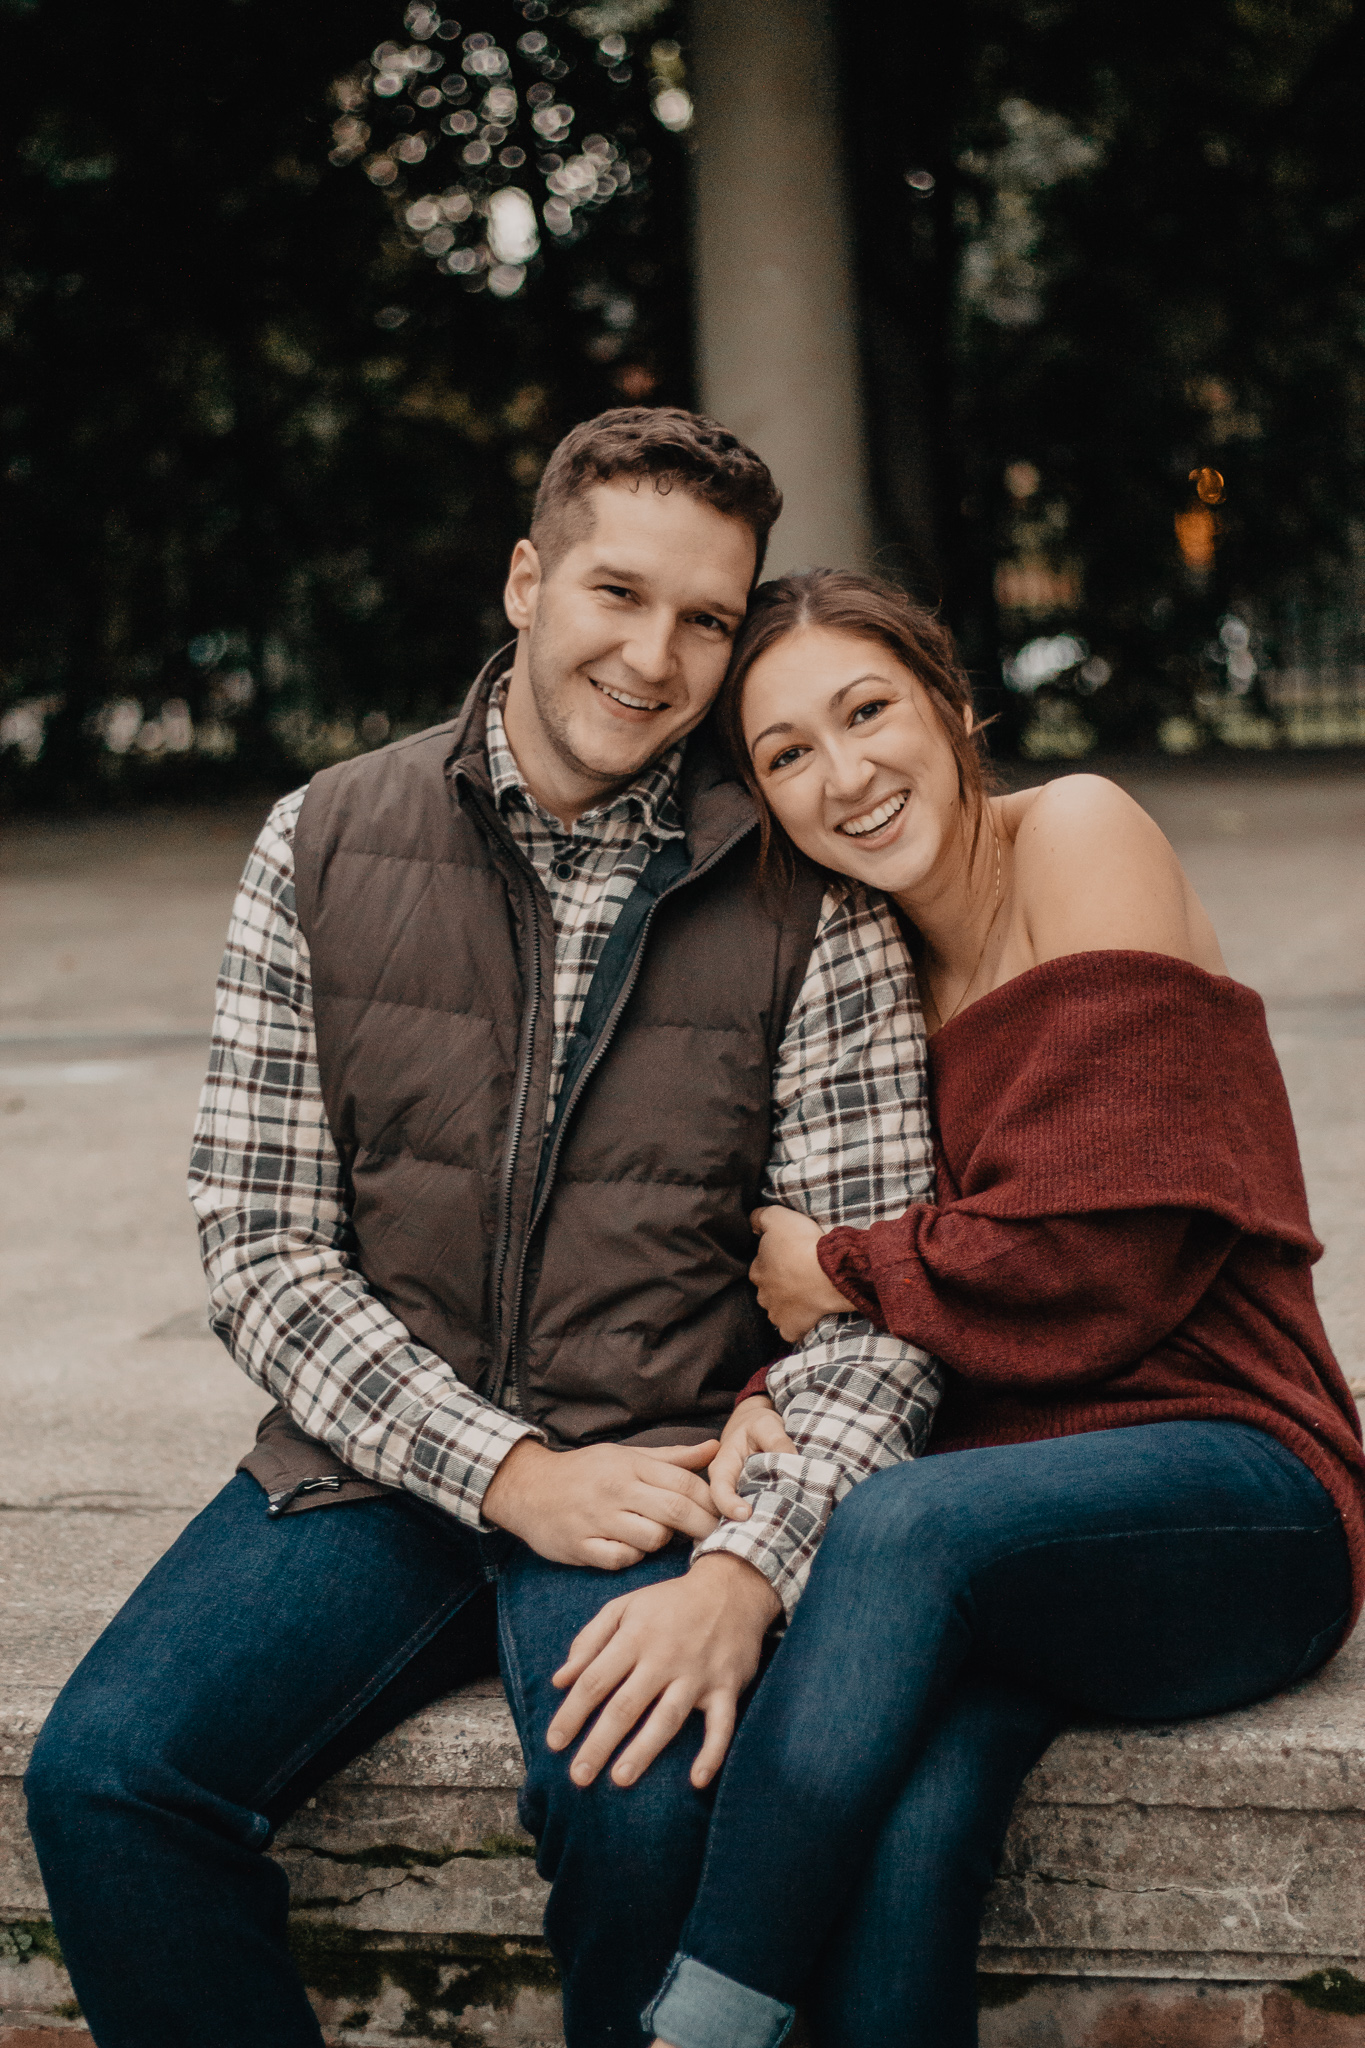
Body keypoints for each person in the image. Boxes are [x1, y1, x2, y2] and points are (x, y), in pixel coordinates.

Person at [23, 417, 945, 2048]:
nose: (655, 657)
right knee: (107, 1781)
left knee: (648, 1816)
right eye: (616, 591)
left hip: (671, 1458)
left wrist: (752, 1559)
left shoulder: (810, 900)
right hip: (378, 1457)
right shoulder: (320, 842)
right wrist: (507, 1472)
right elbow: (260, 1244)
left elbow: (876, 1310)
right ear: (526, 581)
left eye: (707, 619)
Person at [607, 568, 1363, 2048]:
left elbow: (1102, 1254)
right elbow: (870, 1280)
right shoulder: (857, 956)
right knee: (914, 1818)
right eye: (786, 756)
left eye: (867, 710)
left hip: (1230, 1486)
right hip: (999, 1529)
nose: (847, 775)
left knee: (885, 1530)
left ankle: (699, 2024)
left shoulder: (1075, 836)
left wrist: (835, 1270)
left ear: (954, 708)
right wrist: (770, 1392)